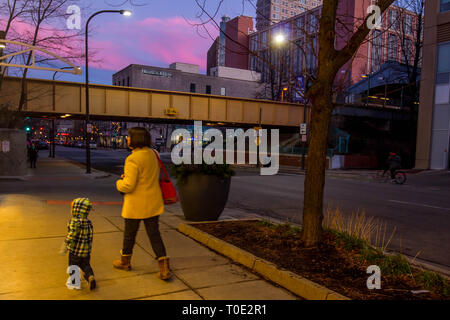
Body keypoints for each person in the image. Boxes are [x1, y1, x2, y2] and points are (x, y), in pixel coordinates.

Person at [113, 127, 172, 280]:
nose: (127, 139)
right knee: (154, 235)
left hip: (136, 204)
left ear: (135, 139)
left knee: (129, 235)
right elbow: (148, 175)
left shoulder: (133, 158)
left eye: (129, 137)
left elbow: (128, 185)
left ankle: (125, 262)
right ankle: (164, 267)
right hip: (152, 201)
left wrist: (119, 182)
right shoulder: (153, 154)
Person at [60, 198, 96, 290]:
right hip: (86, 252)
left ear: (77, 210)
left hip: (75, 252)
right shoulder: (89, 222)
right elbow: (90, 237)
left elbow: (71, 235)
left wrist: (65, 245)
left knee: (73, 266)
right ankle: (90, 277)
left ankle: (75, 282)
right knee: (86, 265)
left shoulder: (74, 222)